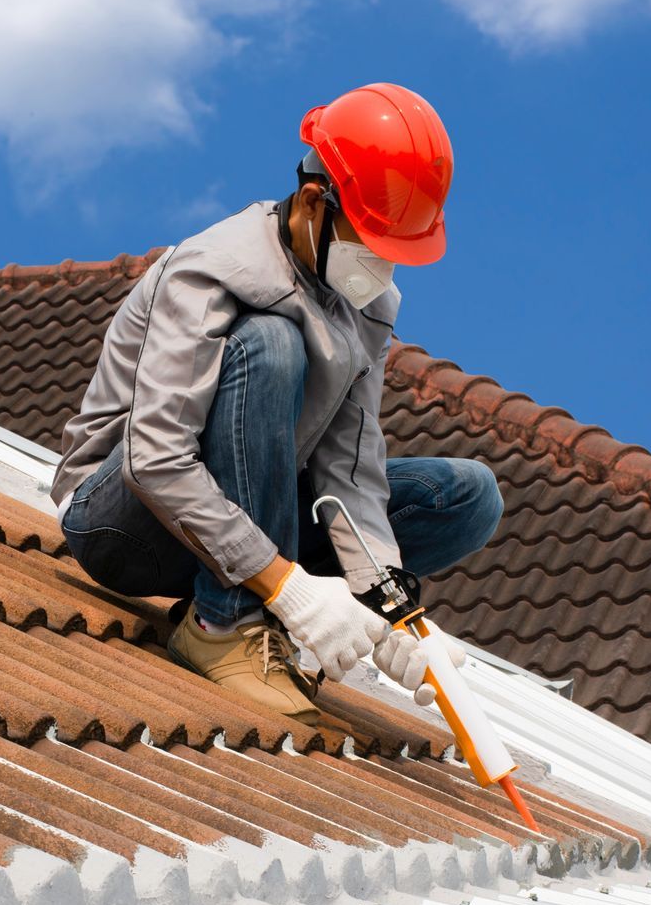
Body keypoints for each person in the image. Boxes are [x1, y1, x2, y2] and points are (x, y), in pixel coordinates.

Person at [51, 83, 503, 724]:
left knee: (466, 495)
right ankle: (223, 623)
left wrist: (390, 609)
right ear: (317, 201)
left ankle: (259, 591)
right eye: (372, 243)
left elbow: (349, 466)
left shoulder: (366, 301)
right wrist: (289, 590)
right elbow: (154, 460)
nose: (381, 268)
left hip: (244, 512)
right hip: (123, 518)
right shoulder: (213, 270)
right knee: (271, 343)